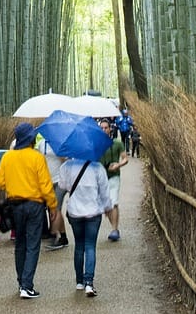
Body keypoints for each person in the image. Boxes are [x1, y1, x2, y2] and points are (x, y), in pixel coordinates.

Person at [0, 122, 57, 298]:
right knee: (32, 244)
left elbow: (1, 183)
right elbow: (45, 186)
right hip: (34, 206)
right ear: (31, 139)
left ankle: (21, 282)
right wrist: (52, 206)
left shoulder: (7, 158)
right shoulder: (37, 157)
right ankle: (27, 286)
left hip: (15, 206)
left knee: (20, 244)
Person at [57, 154, 112, 297]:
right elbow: (105, 191)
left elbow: (62, 186)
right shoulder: (97, 167)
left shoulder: (67, 166)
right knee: (90, 246)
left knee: (79, 245)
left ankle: (79, 282)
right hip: (93, 212)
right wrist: (107, 207)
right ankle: (89, 282)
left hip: (75, 212)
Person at [99, 118, 128, 241]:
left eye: (106, 127)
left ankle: (115, 230)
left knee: (114, 202)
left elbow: (125, 158)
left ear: (110, 129)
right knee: (107, 206)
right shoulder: (97, 144)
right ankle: (114, 227)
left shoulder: (117, 143)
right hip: (101, 177)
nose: (104, 130)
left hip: (114, 176)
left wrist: (118, 165)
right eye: (102, 128)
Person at [38, 138, 69, 250]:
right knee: (54, 209)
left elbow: (67, 160)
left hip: (60, 180)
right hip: (48, 181)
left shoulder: (60, 141)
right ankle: (63, 237)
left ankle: (54, 236)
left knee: (55, 208)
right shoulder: (41, 143)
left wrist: (62, 157)